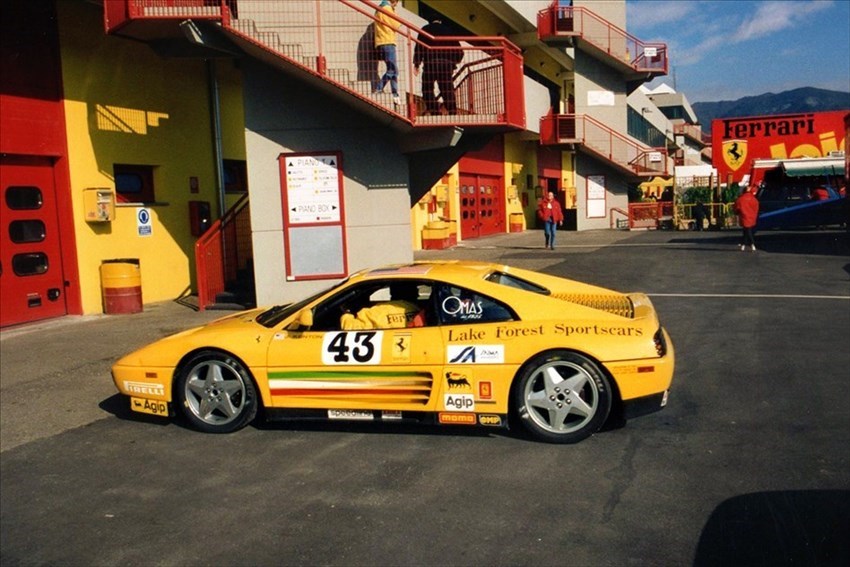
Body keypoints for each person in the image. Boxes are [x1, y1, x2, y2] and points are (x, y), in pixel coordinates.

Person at [413, 19, 462, 115]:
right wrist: (454, 62)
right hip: (446, 65)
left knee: (427, 89)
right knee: (447, 89)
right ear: (440, 21)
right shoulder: (448, 31)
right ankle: (452, 111)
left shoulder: (425, 29)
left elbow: (419, 47)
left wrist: (417, 63)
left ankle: (434, 111)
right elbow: (459, 50)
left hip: (430, 64)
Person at [340, 284, 425, 330]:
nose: (418, 293)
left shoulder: (376, 312)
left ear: (392, 293)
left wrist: (347, 313)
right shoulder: (418, 309)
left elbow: (351, 328)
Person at [373, 0, 401, 106]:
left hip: (381, 42)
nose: (396, 4)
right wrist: (393, 11)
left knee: (393, 69)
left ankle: (395, 94)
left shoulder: (379, 9)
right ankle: (379, 89)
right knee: (393, 70)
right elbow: (396, 24)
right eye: (396, 1)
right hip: (388, 41)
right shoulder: (387, 9)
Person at [734, 186, 759, 251]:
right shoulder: (754, 199)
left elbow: (736, 208)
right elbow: (756, 207)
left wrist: (737, 212)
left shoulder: (740, 199)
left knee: (746, 230)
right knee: (748, 230)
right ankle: (747, 244)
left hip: (744, 216)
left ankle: (748, 243)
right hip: (752, 216)